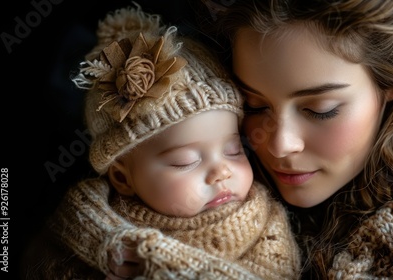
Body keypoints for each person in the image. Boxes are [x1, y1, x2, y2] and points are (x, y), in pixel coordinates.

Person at [25, 0, 393, 279]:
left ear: (392, 87)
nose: (279, 144)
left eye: (320, 109)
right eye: (254, 106)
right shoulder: (200, 186)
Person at [22, 5, 301, 280]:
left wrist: (162, 265)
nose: (221, 171)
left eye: (234, 150)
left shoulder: (266, 226)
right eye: (185, 161)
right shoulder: (79, 228)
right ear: (123, 178)